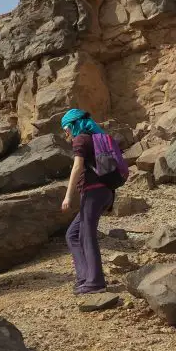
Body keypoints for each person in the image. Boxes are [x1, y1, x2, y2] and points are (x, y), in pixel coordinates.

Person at [61, 109, 114, 295]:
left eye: (66, 128)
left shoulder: (81, 139)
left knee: (87, 235)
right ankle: (84, 277)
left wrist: (68, 196)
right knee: (73, 235)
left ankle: (95, 282)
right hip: (105, 192)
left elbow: (77, 167)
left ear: (73, 124)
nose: (66, 133)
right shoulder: (97, 136)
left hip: (93, 192)